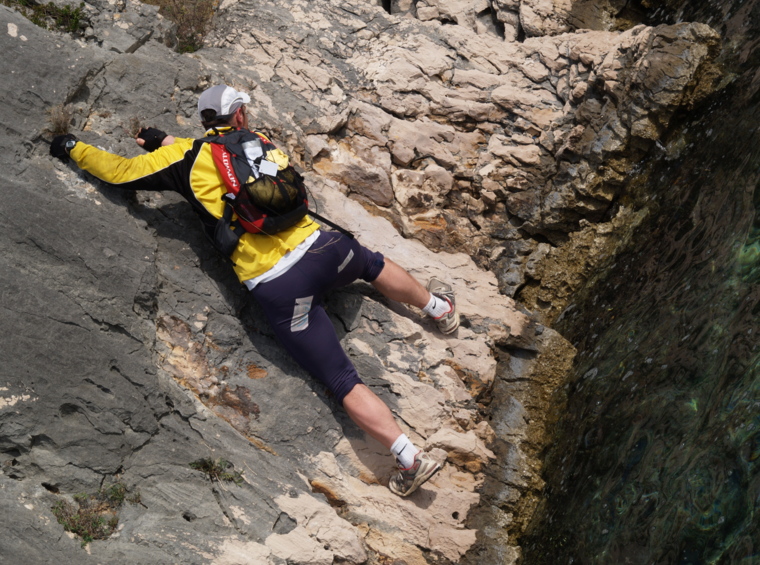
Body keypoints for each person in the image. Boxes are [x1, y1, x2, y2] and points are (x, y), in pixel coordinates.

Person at [50, 84, 460, 497]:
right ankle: (439, 308)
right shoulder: (258, 141)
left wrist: (72, 146)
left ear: (205, 120)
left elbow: (121, 173)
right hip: (327, 250)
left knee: (340, 378)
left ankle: (409, 458)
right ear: (240, 116)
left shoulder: (186, 159)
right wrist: (162, 139)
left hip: (280, 284)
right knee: (371, 263)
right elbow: (214, 149)